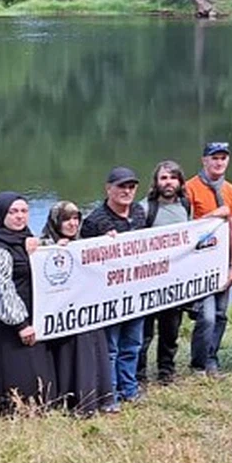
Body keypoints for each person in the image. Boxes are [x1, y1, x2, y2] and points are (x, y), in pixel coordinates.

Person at [0, 192, 57, 414]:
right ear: (0, 215)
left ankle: (35, 411)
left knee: (34, 369)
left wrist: (51, 244)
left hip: (32, 318)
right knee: (12, 370)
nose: (20, 216)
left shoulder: (25, 241)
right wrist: (20, 324)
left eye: (24, 211)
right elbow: (2, 289)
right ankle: (8, 412)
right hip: (7, 324)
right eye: (13, 212)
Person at [81, 166, 148, 407]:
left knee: (133, 344)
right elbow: (83, 258)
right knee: (110, 348)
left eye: (131, 187)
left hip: (136, 290)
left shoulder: (139, 212)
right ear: (108, 189)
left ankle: (129, 389)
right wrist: (101, 244)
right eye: (121, 186)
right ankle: (109, 394)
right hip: (108, 294)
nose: (127, 191)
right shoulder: (94, 220)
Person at [39, 201, 112, 415]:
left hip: (87, 311)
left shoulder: (83, 243)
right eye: (66, 219)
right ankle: (70, 400)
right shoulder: (43, 245)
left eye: (75, 219)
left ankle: (96, 399)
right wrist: (54, 250)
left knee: (92, 351)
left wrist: (109, 241)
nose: (72, 224)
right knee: (69, 356)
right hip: (62, 316)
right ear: (56, 222)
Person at [186, 141, 232, 377]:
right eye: (214, 158)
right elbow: (186, 229)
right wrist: (214, 215)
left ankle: (212, 359)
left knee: (220, 314)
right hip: (200, 262)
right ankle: (198, 363)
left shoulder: (230, 190)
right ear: (204, 160)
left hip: (223, 259)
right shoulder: (190, 187)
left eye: (223, 158)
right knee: (206, 316)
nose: (219, 162)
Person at [137, 160, 195, 385]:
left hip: (174, 281)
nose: (168, 182)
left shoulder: (185, 205)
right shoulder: (145, 208)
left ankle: (166, 371)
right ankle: (139, 374)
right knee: (144, 333)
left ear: (180, 181)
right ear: (156, 182)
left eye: (172, 178)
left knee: (170, 330)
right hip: (148, 281)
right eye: (163, 178)